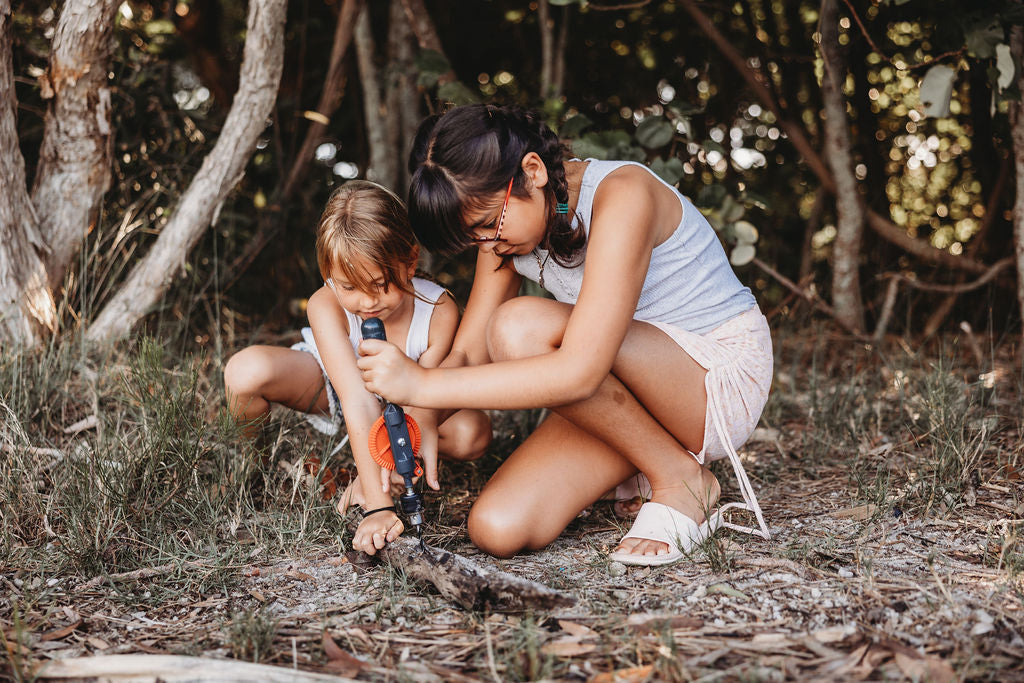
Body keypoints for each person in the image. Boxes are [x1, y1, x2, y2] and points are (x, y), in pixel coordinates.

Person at [356, 104, 773, 566]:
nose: (488, 245)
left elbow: (578, 371)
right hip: (622, 390)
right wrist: (412, 428)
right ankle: (655, 459)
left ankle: (680, 477)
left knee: (517, 329)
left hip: (716, 379)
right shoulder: (504, 237)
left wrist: (421, 383)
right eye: (472, 238)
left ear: (531, 171)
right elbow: (471, 353)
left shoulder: (624, 194)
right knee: (497, 527)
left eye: (488, 225)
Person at [224, 180, 492, 555]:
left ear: (410, 261)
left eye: (380, 285)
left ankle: (389, 470)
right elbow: (357, 398)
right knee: (245, 371)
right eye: (348, 287)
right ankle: (251, 465)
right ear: (328, 277)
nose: (366, 302)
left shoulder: (439, 311)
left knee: (472, 432)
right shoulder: (326, 304)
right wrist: (379, 508)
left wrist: (389, 475)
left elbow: (426, 396)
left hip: (408, 404)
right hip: (334, 384)